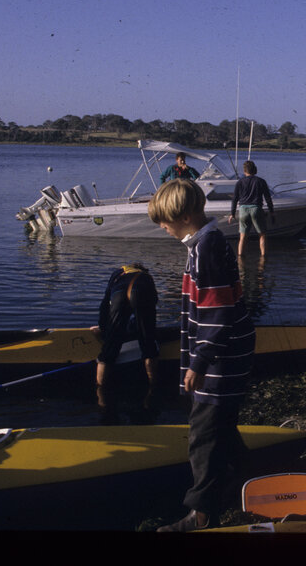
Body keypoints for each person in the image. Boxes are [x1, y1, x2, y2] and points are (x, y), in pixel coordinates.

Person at [148, 179, 256, 532]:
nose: (162, 227)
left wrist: (199, 361)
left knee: (204, 433)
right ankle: (247, 483)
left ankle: (202, 515)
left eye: (165, 220)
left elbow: (217, 310)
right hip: (224, 351)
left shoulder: (206, 247)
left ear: (184, 215)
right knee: (220, 424)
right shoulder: (203, 243)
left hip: (221, 356)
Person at [90, 263, 160, 389]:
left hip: (118, 294)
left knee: (108, 352)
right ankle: (153, 386)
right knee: (148, 347)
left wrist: (105, 330)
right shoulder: (146, 277)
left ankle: (100, 390)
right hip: (141, 292)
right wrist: (140, 329)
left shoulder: (117, 273)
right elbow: (152, 307)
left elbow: (104, 306)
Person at [228, 160, 275, 257]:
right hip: (256, 209)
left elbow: (235, 199)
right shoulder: (261, 181)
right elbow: (268, 198)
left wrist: (232, 213)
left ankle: (240, 258)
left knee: (242, 237)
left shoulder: (239, 182)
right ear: (255, 170)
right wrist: (272, 212)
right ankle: (263, 257)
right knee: (262, 235)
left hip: (243, 210)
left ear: (245, 171)